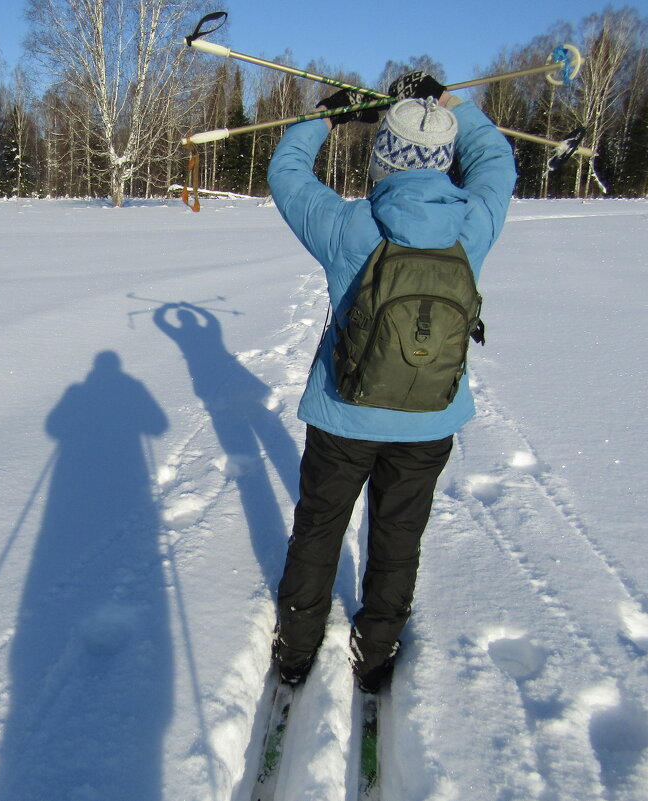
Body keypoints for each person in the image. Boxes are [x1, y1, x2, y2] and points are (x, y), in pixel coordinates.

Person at [266, 73, 517, 691]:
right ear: (444, 157)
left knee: (320, 528)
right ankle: (376, 650)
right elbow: (497, 160)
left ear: (383, 159)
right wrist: (449, 103)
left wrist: (326, 117)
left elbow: (287, 175)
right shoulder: (474, 222)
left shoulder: (350, 226)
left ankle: (296, 647)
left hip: (343, 416)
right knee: (400, 535)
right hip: (432, 417)